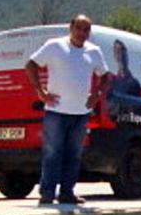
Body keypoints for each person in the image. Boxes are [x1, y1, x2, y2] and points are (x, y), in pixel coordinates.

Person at [26, 14, 110, 205]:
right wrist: (40, 91)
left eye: (86, 30)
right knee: (53, 152)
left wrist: (96, 94)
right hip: (56, 111)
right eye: (78, 28)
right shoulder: (55, 46)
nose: (82, 33)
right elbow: (31, 65)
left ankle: (67, 192)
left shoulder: (94, 51)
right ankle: (47, 192)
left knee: (74, 154)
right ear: (70, 28)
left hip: (81, 113)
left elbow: (105, 76)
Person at [106, 39, 141, 123]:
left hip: (128, 126)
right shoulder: (112, 81)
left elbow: (139, 110)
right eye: (116, 52)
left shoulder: (134, 83)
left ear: (126, 54)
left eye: (120, 51)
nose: (119, 55)